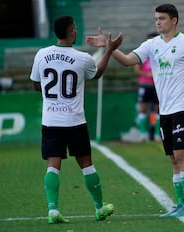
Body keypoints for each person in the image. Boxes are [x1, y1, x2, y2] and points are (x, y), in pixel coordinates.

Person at [86, 3, 184, 217]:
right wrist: (109, 48)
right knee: (173, 158)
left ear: (174, 20)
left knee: (180, 153)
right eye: (156, 18)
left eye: (162, 18)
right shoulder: (151, 44)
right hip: (165, 110)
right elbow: (129, 61)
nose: (158, 22)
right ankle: (179, 204)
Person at [29, 15, 122, 224]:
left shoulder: (41, 55)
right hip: (74, 121)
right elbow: (96, 74)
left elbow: (36, 83)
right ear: (72, 32)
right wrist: (109, 50)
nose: (76, 31)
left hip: (51, 120)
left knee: (53, 166)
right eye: (75, 28)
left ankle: (53, 211)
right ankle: (99, 208)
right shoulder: (83, 58)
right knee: (87, 165)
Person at [133, 32, 160, 142]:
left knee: (157, 110)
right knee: (143, 109)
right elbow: (136, 69)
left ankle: (157, 134)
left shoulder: (161, 54)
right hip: (145, 85)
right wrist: (148, 74)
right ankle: (142, 134)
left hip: (157, 86)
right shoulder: (143, 54)